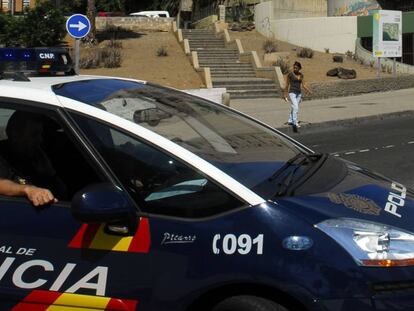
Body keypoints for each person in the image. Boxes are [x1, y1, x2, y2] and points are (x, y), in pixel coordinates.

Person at [0, 110, 66, 203]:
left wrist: (50, 173)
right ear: (15, 135)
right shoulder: (3, 155)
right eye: (34, 135)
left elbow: (62, 194)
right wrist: (28, 189)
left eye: (40, 134)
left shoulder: (37, 157)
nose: (40, 140)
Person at [283, 61, 312, 133]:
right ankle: (295, 122)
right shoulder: (290, 74)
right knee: (296, 107)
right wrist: (284, 94)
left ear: (299, 68)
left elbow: (303, 85)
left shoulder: (301, 75)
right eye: (294, 67)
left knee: (294, 107)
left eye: (296, 68)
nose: (295, 69)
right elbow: (287, 85)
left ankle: (290, 120)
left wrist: (308, 90)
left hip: (299, 93)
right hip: (292, 92)